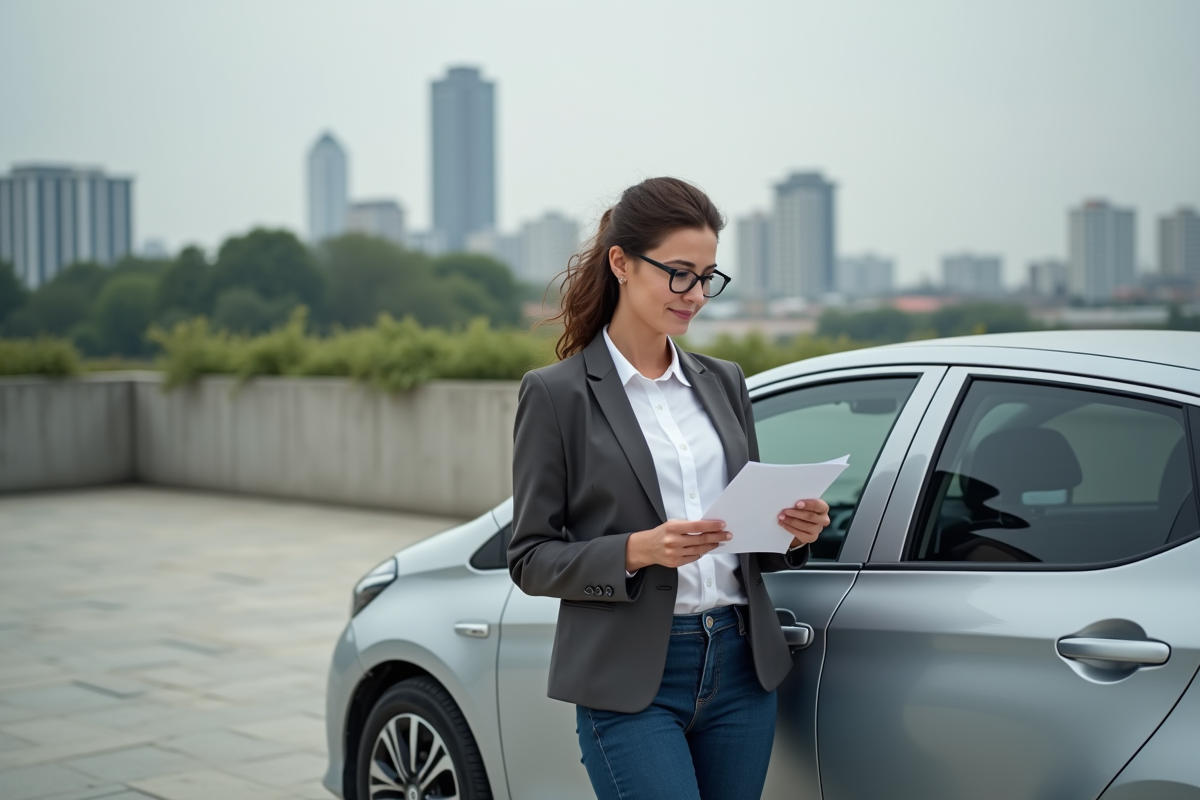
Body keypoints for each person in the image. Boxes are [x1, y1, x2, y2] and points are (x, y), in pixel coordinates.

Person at [508, 176, 831, 800]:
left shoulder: (724, 381)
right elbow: (529, 559)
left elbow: (748, 538)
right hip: (633, 678)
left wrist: (793, 533)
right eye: (680, 272)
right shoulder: (556, 395)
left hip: (741, 664)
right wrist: (639, 550)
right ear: (621, 263)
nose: (697, 294)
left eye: (709, 276)